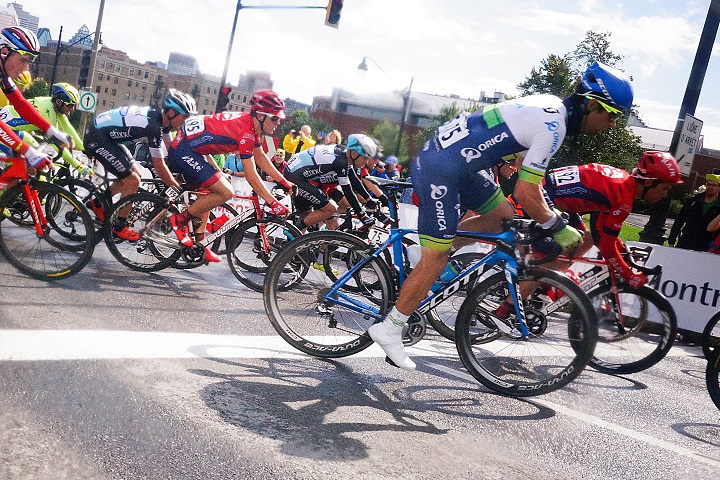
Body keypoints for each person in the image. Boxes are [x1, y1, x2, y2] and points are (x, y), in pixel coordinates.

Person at [368, 61, 634, 370]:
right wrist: (556, 225)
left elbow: (521, 166)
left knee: (502, 216)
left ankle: (425, 253)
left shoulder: (549, 107)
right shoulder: (554, 127)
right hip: (441, 168)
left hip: (459, 163)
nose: (613, 124)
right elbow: (526, 193)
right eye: (613, 115)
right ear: (591, 104)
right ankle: (390, 328)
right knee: (436, 260)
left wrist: (543, 210)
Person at [164, 89, 294, 259]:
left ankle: (199, 245)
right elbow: (251, 174)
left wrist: (283, 181)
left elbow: (260, 157)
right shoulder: (246, 132)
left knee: (208, 196)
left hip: (193, 148)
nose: (278, 123)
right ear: (261, 116)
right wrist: (272, 202)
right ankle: (179, 220)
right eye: (275, 118)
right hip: (184, 150)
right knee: (226, 192)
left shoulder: (251, 127)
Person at [84, 89, 196, 241]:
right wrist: (176, 187)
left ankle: (97, 203)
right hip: (97, 137)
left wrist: (184, 167)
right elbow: (159, 164)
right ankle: (119, 227)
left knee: (136, 175)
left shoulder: (164, 121)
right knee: (132, 180)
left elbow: (171, 149)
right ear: (171, 112)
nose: (185, 121)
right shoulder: (153, 126)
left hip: (108, 137)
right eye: (184, 117)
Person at [0, 27, 73, 173]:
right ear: (4, 53)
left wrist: (52, 131)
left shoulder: (4, 77)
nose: (26, 68)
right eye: (23, 60)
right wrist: (29, 151)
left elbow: (21, 104)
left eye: (29, 62)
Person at [283, 134, 378, 232]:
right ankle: (294, 230)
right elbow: (348, 191)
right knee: (331, 208)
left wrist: (369, 199)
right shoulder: (340, 161)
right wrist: (362, 215)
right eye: (365, 158)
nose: (366, 162)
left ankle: (294, 240)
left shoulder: (344, 154)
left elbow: (353, 179)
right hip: (295, 176)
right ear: (354, 153)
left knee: (307, 215)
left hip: (300, 173)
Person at [0, 82, 90, 174]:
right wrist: (78, 166)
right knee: (30, 167)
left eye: (74, 105)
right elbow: (57, 144)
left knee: (35, 146)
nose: (72, 109)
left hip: (13, 129)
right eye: (70, 105)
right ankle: (10, 186)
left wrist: (85, 149)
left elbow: (68, 127)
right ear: (59, 102)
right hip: (3, 131)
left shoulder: (53, 106)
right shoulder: (48, 113)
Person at [667, 173, 720, 251]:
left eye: (714, 185)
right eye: (708, 184)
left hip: (706, 247)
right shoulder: (694, 201)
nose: (710, 187)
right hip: (685, 243)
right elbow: (679, 220)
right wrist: (671, 241)